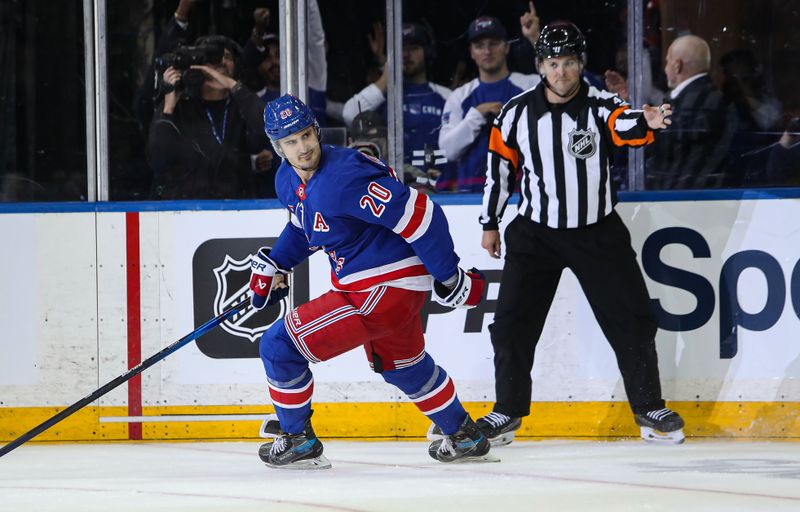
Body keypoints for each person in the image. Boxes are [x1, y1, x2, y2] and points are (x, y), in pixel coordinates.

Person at [250, 94, 494, 469]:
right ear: (277, 147)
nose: (302, 148)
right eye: (291, 141)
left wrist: (449, 276)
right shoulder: (288, 178)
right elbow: (305, 227)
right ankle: (462, 433)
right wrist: (276, 262)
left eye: (306, 136)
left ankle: (297, 439)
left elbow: (422, 214)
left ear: (316, 130)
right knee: (403, 367)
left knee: (279, 346)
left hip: (382, 288)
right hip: (375, 288)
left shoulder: (346, 176)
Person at [475, 22, 686, 446]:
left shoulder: (600, 105)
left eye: (569, 63)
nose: (562, 72)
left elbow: (624, 124)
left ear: (580, 63)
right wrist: (491, 223)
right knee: (512, 325)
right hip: (535, 234)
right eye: (553, 63)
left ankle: (648, 409)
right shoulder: (515, 112)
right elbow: (498, 171)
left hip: (597, 232)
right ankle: (506, 412)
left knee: (632, 320)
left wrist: (645, 120)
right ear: (540, 65)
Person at [146, 35, 273, 199]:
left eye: (227, 58)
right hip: (186, 209)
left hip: (239, 207)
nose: (221, 63)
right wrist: (169, 104)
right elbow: (159, 160)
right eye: (212, 60)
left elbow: (271, 126)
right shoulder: (180, 105)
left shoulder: (241, 105)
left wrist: (232, 85)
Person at [437, 11, 541, 193]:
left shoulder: (530, 86)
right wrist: (477, 114)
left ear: (506, 47)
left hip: (524, 196)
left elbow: (570, 87)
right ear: (471, 52)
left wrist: (536, 39)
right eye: (479, 45)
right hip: (470, 197)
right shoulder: (460, 96)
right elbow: (448, 151)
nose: (487, 51)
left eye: (494, 44)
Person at [342, 22, 453, 185]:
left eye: (414, 48)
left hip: (439, 187)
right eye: (401, 49)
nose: (406, 55)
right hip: (394, 187)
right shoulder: (383, 96)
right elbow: (349, 114)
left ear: (426, 52)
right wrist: (385, 79)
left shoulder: (445, 96)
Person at [645, 34, 730, 190]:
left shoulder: (704, 98)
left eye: (667, 62)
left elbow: (675, 135)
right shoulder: (696, 95)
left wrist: (640, 119)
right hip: (679, 201)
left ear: (677, 65)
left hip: (685, 204)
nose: (665, 68)